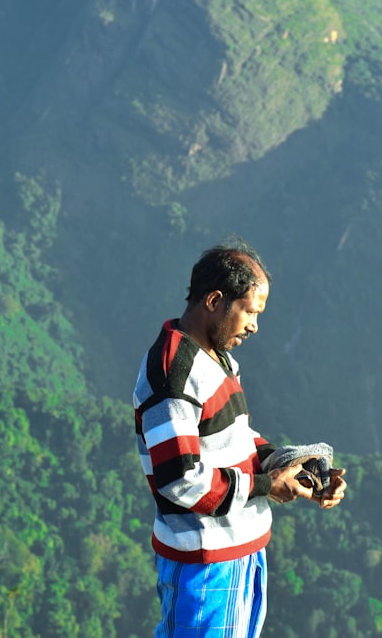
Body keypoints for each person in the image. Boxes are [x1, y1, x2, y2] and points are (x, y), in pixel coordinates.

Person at [133, 239, 347, 637]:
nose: (254, 325)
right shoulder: (174, 375)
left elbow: (238, 438)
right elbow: (180, 479)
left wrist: (294, 469)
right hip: (204, 563)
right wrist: (268, 485)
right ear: (215, 301)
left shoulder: (217, 358)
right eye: (249, 311)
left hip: (240, 551)